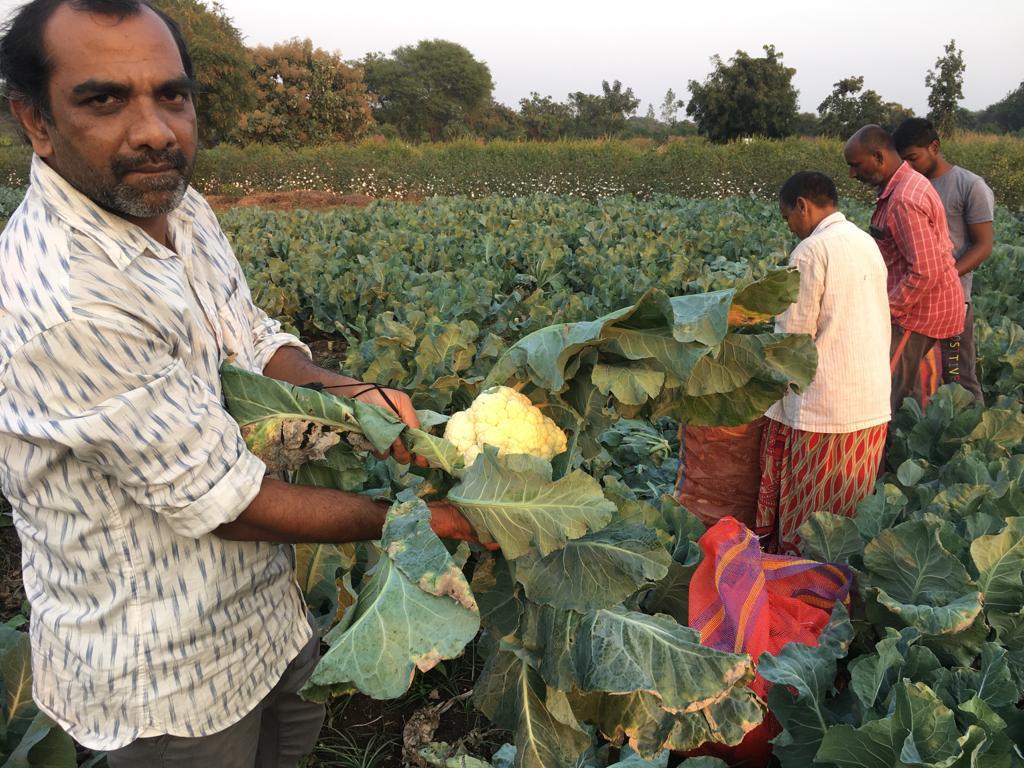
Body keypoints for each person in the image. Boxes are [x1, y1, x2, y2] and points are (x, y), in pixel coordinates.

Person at [0, 2, 480, 765]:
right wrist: (421, 519)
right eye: (104, 99)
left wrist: (353, 397)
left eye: (172, 94)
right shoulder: (63, 301)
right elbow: (224, 502)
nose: (156, 128)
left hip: (266, 615)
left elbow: (247, 338)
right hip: (165, 676)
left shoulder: (174, 202)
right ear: (37, 121)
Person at [755, 171, 891, 555]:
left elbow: (793, 339)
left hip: (825, 407)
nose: (791, 227)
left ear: (803, 206)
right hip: (870, 401)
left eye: (788, 218)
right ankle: (843, 591)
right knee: (849, 511)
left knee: (811, 520)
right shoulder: (865, 243)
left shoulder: (811, 252)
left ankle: (806, 593)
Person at [844, 125, 965, 416]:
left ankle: (888, 457)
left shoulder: (904, 199)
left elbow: (925, 270)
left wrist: (885, 311)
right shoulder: (906, 185)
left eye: (856, 165)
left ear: (879, 157)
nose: (852, 174)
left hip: (918, 315)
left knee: (886, 395)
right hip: (923, 311)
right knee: (911, 393)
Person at [893, 117, 994, 402]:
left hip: (953, 301)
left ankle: (974, 442)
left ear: (934, 147)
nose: (908, 167)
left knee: (958, 375)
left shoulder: (969, 185)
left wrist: (944, 277)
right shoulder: (905, 187)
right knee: (907, 379)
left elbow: (983, 244)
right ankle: (907, 442)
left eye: (913, 158)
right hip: (914, 304)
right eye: (903, 161)